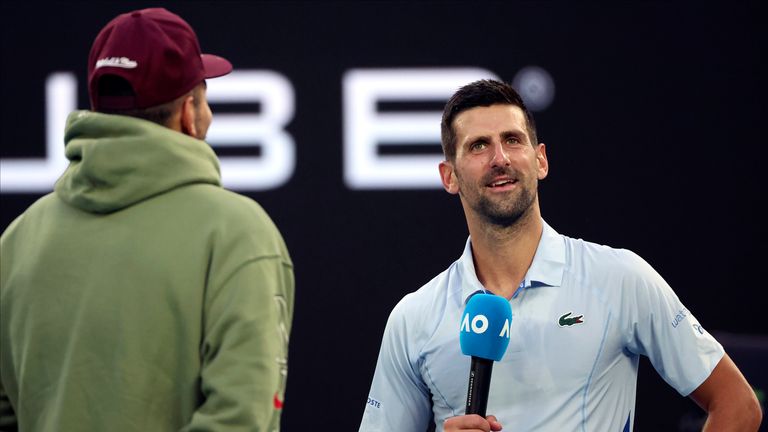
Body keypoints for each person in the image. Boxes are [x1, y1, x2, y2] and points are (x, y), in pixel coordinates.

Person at [359, 79, 761, 432]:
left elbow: (738, 405)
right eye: (479, 145)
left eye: (513, 140)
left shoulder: (620, 278)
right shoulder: (413, 319)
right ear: (449, 176)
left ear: (540, 160)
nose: (500, 158)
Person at [0, 8, 294, 431]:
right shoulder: (238, 235)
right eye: (204, 96)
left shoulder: (17, 241)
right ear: (189, 113)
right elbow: (241, 418)